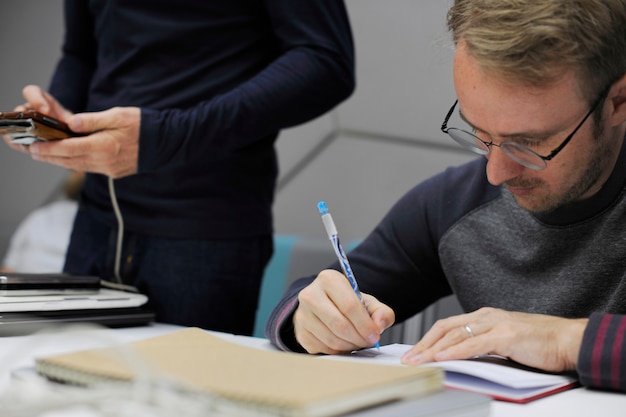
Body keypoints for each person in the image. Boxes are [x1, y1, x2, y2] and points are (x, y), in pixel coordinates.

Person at [265, 0, 626, 392]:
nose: (496, 173)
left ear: (617, 102)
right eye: (480, 134)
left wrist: (565, 340)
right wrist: (312, 317)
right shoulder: (454, 205)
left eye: (529, 144)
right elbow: (308, 297)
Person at [2, 1, 355, 335]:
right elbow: (81, 51)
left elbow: (324, 60)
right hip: (94, 222)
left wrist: (171, 136)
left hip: (202, 230)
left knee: (187, 396)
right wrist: (57, 114)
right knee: (69, 388)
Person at [1, 170, 84, 273]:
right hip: (66, 284)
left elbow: (9, 268)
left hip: (28, 282)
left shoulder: (40, 216)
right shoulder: (40, 216)